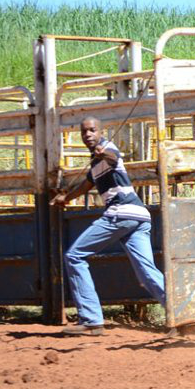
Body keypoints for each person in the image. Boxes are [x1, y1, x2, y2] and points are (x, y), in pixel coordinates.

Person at [51, 117, 165, 335]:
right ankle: (180, 314)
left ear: (101, 131)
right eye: (84, 132)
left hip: (120, 213)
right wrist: (65, 198)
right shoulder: (95, 164)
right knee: (146, 272)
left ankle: (92, 319)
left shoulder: (107, 150)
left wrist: (103, 152)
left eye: (92, 130)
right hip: (140, 216)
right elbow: (86, 185)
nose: (88, 135)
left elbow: (113, 157)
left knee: (74, 256)